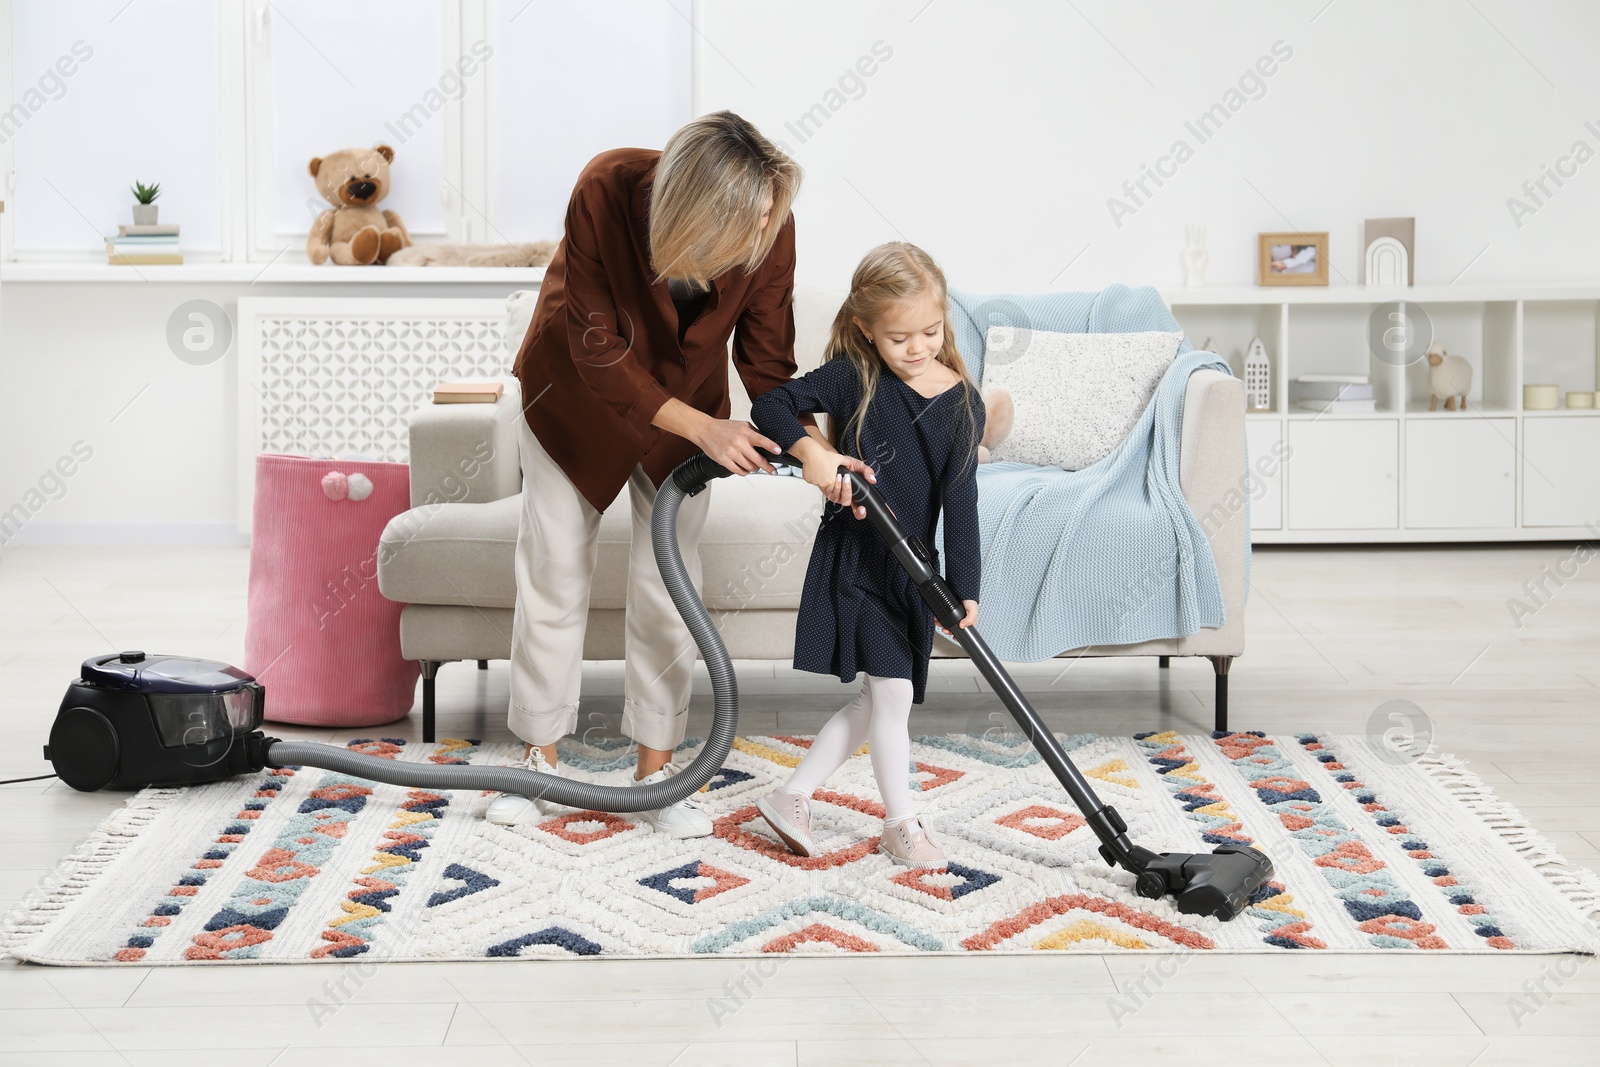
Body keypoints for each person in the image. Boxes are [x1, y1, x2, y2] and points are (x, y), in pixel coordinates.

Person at [493, 112, 873, 837]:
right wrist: (705, 429)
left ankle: (657, 774)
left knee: (668, 583)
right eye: (752, 216)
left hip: (688, 406)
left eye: (772, 213)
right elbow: (595, 345)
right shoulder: (606, 188)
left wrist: (814, 452)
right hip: (572, 397)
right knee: (554, 570)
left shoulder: (773, 226)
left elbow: (767, 363)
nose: (766, 228)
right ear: (702, 210)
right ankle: (535, 763)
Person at [748, 242, 984, 868]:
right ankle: (901, 823)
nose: (917, 348)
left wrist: (964, 587)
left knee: (875, 700)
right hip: (856, 557)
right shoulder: (856, 374)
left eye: (930, 332)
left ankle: (790, 795)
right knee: (893, 699)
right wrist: (814, 453)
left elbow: (961, 506)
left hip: (913, 569)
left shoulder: (962, 402)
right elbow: (769, 403)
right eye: (899, 336)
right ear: (866, 330)